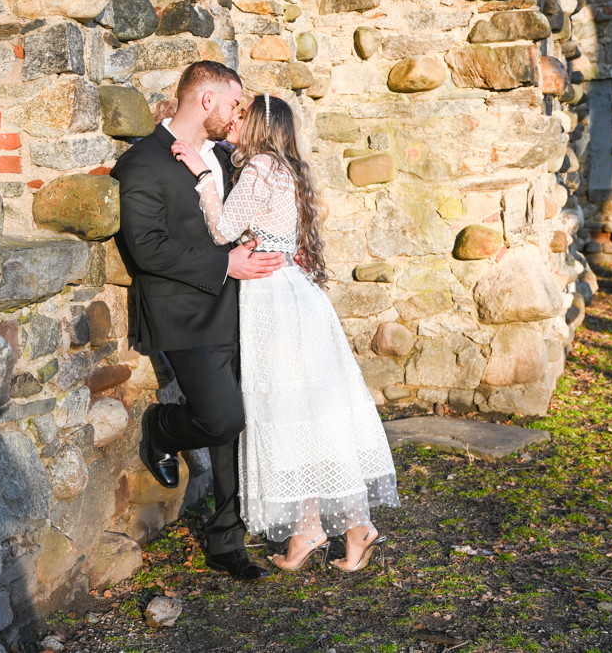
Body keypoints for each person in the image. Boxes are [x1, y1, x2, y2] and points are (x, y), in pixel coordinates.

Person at [171, 93, 399, 573]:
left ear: (257, 125)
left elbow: (222, 231)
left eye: (241, 114)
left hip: (272, 301)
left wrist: (203, 176)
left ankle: (331, 528)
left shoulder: (258, 168)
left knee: (290, 413)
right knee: (308, 415)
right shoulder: (285, 167)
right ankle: (328, 528)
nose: (233, 119)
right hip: (293, 294)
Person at [109, 61, 283, 581]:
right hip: (184, 314)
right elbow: (147, 248)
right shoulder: (141, 162)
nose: (237, 114)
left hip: (243, 307)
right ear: (206, 100)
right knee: (222, 418)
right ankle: (162, 427)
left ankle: (227, 541)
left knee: (241, 424)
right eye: (233, 103)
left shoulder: (227, 159)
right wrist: (226, 264)